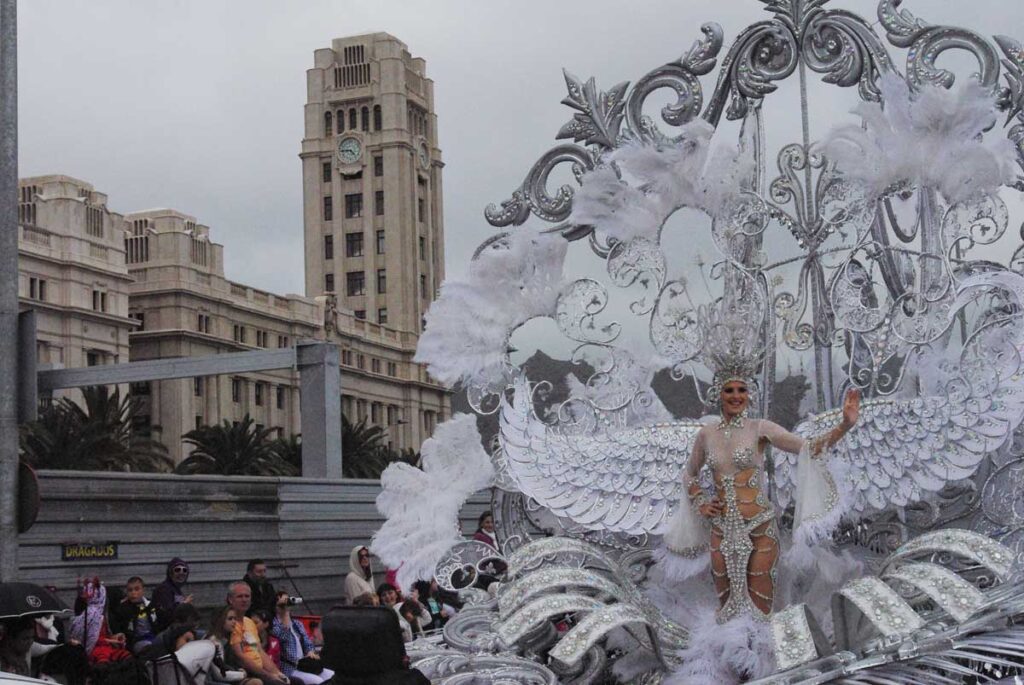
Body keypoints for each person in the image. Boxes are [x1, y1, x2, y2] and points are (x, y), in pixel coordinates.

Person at [666, 372, 860, 623]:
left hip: (759, 529)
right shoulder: (706, 434)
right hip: (721, 532)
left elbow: (809, 448)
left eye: (742, 390)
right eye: (729, 390)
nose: (736, 396)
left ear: (749, 395)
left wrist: (844, 425)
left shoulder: (760, 428)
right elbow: (690, 474)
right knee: (727, 612)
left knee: (760, 613)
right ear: (718, 394)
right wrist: (701, 502)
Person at [226, 581, 290, 685]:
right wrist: (268, 676)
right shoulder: (230, 624)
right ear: (230, 600)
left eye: (247, 596)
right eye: (240, 596)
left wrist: (277, 673)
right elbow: (240, 657)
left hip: (260, 671)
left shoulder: (249, 622)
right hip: (244, 672)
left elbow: (259, 651)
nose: (244, 599)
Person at [270, 592, 334, 685]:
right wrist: (285, 613)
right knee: (317, 681)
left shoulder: (297, 623)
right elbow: (285, 637)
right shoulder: (273, 624)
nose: (286, 606)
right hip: (289, 668)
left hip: (304, 665)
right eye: (282, 604)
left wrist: (310, 652)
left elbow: (308, 642)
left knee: (332, 676)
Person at [68, 578, 132, 665]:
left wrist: (115, 637)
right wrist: (111, 641)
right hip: (95, 650)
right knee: (103, 661)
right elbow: (90, 640)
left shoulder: (101, 616)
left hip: (107, 647)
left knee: (127, 657)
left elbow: (105, 634)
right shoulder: (90, 616)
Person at [206, 606, 258, 685]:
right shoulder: (214, 642)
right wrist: (242, 674)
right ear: (220, 621)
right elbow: (219, 674)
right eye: (230, 619)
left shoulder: (229, 638)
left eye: (235, 619)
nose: (234, 622)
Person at [110, 576, 159, 655]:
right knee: (150, 649)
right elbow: (118, 629)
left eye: (137, 589)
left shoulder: (150, 605)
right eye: (130, 590)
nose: (133, 593)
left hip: (154, 637)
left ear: (143, 590)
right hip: (136, 641)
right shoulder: (122, 609)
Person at [152, 558, 193, 631]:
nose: (181, 573)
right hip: (165, 631)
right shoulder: (163, 589)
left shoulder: (176, 590)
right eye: (177, 570)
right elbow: (166, 616)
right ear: (170, 572)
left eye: (184, 570)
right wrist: (184, 604)